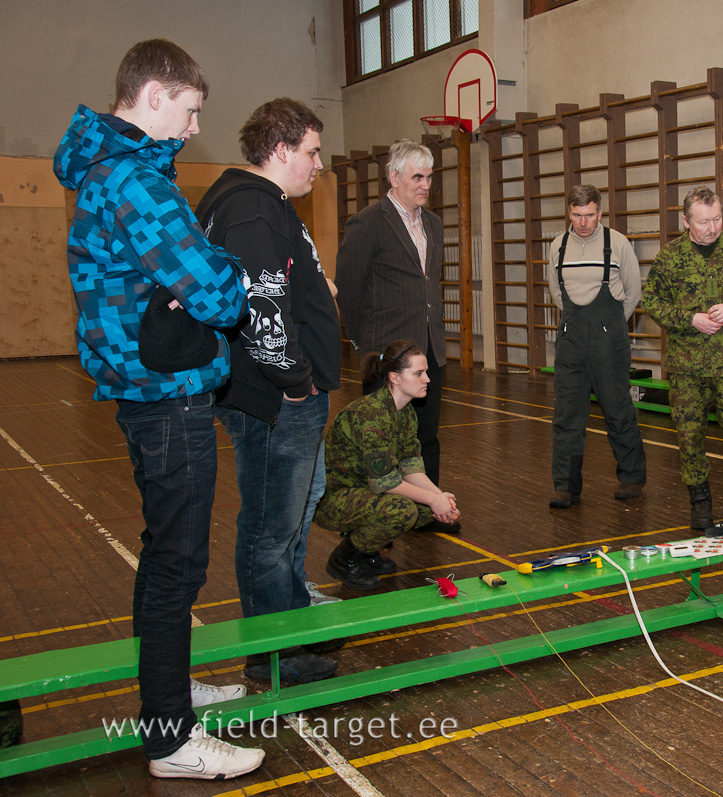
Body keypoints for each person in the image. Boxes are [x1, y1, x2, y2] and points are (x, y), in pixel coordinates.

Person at [53, 39, 263, 779]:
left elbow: (185, 283)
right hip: (166, 396)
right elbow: (214, 291)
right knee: (178, 564)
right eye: (189, 109)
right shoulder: (135, 181)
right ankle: (171, 736)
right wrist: (228, 273)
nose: (194, 126)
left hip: (145, 391)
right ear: (151, 97)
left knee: (163, 556)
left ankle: (165, 689)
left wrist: (194, 281)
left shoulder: (105, 172)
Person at [196, 98, 341, 684]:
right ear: (280, 149)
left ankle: (289, 625)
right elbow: (263, 310)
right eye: (311, 151)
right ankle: (273, 653)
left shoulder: (258, 203)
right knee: (269, 529)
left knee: (288, 519)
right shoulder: (254, 209)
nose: (318, 163)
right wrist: (296, 383)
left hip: (276, 397)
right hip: (275, 401)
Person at [335, 141, 457, 532]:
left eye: (429, 177)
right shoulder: (368, 222)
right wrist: (362, 343)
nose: (426, 185)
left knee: (425, 436)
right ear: (394, 177)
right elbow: (349, 289)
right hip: (386, 352)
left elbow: (428, 283)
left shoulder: (434, 224)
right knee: (380, 443)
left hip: (429, 349)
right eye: (417, 177)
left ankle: (428, 510)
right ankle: (379, 521)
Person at [642, 186, 723, 529]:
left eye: (716, 219)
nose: (712, 227)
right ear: (686, 221)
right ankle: (700, 501)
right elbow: (652, 302)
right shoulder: (670, 258)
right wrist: (689, 319)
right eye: (703, 222)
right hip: (687, 367)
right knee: (689, 434)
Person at [316, 341, 462, 591]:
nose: (427, 379)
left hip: (365, 490)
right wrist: (432, 498)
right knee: (402, 510)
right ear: (395, 377)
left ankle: (367, 550)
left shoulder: (404, 412)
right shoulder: (372, 414)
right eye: (418, 373)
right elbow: (384, 481)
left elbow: (411, 467)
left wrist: (440, 499)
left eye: (426, 372)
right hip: (334, 498)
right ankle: (345, 558)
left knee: (426, 509)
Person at [546, 185, 647, 508]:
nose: (583, 222)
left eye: (589, 215)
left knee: (618, 409)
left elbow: (632, 293)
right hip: (571, 338)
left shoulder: (617, 244)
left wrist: (609, 325)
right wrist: (579, 323)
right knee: (567, 415)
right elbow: (557, 294)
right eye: (577, 215)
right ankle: (566, 486)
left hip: (609, 341)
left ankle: (631, 477)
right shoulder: (557, 247)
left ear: (600, 212)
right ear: (569, 213)